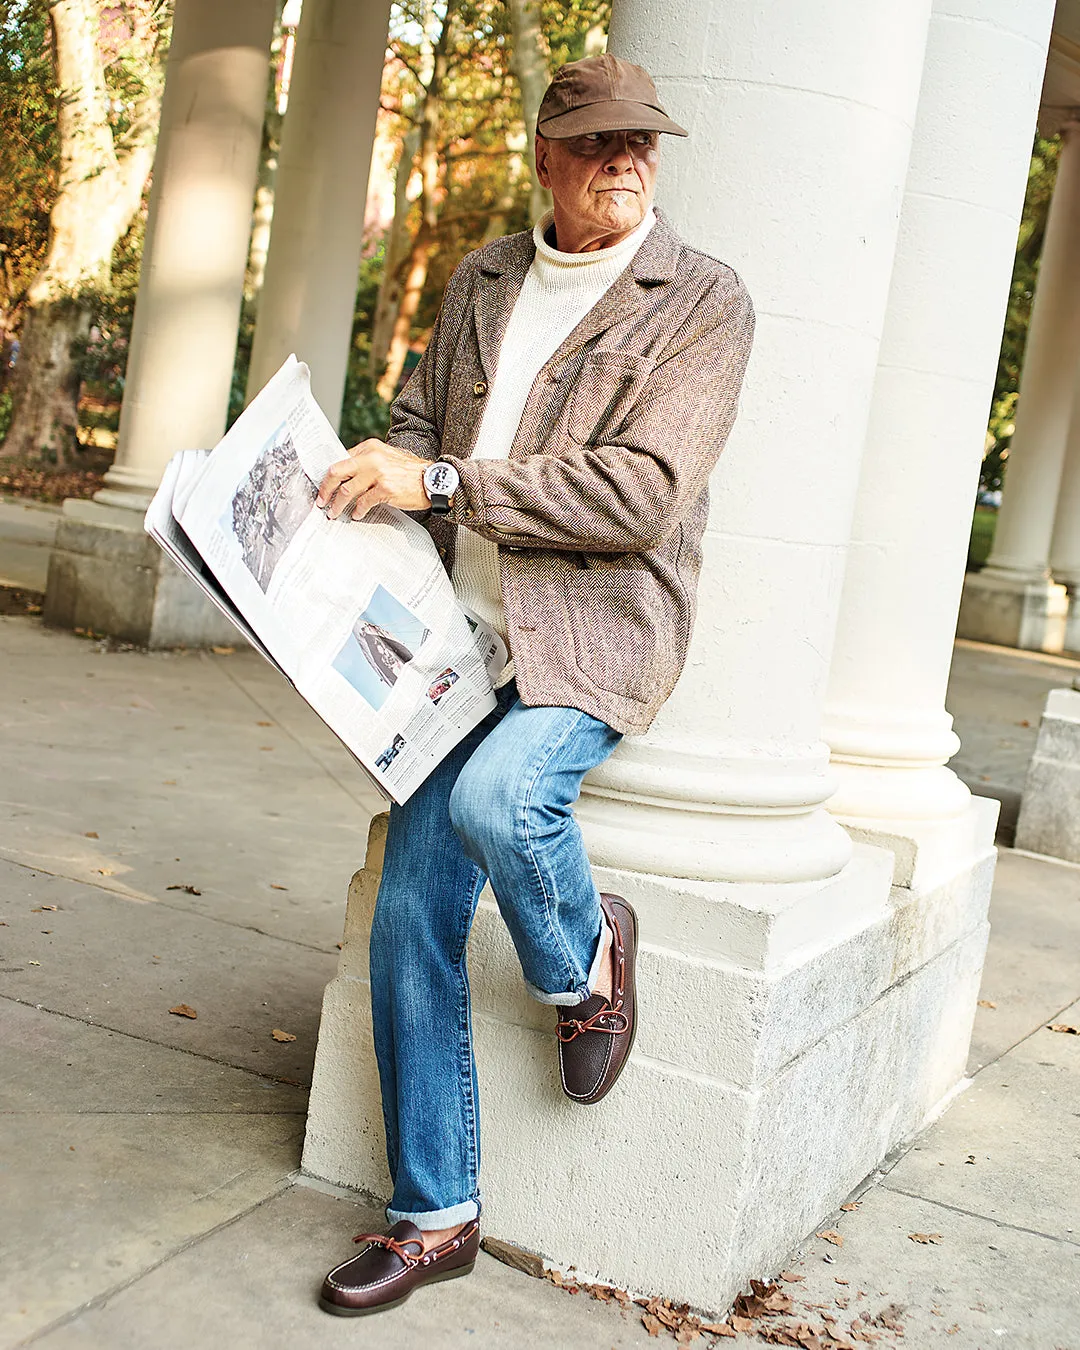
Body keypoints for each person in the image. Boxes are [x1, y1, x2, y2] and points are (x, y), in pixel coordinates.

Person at [314, 53, 754, 1317]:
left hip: (591, 636)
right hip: (453, 640)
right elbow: (418, 419)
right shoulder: (485, 276)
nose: (627, 159)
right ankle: (433, 1213)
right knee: (409, 914)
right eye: (601, 141)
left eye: (644, 142)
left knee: (506, 801)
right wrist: (377, 467)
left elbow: (643, 493)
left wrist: (448, 485)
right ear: (547, 158)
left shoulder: (702, 301)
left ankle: (583, 968)